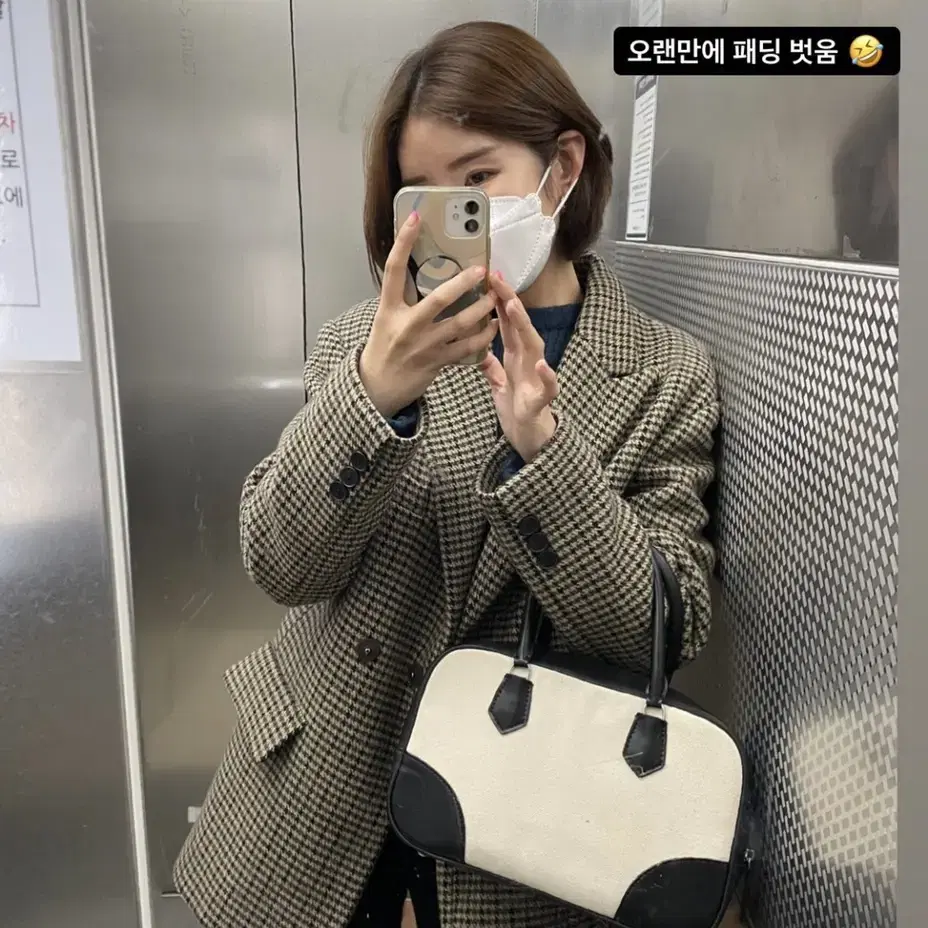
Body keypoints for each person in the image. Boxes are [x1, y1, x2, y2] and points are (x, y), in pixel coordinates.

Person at [173, 20, 719, 928]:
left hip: (513, 826)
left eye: (479, 178)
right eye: (424, 193)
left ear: (562, 166)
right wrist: (374, 396)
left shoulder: (664, 375)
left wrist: (546, 459)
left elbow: (664, 629)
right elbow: (280, 564)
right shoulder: (361, 346)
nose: (454, 214)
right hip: (323, 789)